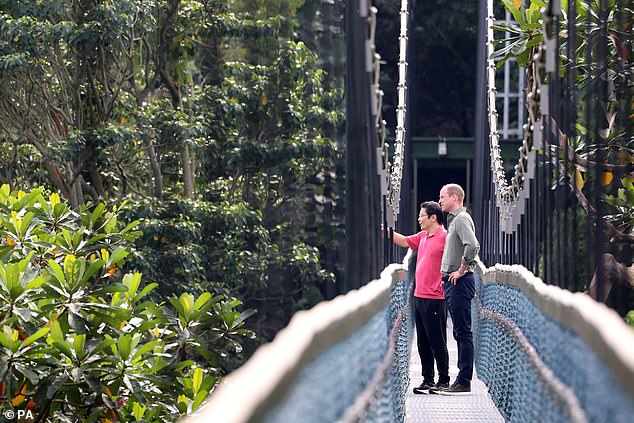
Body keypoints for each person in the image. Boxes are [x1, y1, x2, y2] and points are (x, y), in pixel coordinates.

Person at [389, 201, 449, 394]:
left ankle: (444, 379)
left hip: (435, 297)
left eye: (422, 216)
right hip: (418, 295)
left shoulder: (446, 237)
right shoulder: (423, 235)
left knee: (437, 340)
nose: (418, 219)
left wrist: (447, 278)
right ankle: (428, 379)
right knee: (422, 341)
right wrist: (385, 230)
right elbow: (405, 241)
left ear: (433, 217)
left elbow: (462, 256)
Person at [433, 183, 480, 395]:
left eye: (443, 196)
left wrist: (461, 269)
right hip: (454, 283)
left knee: (462, 332)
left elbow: (473, 246)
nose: (440, 200)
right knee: (460, 332)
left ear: (454, 197)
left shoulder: (460, 219)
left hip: (459, 282)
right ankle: (462, 379)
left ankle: (463, 381)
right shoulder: (456, 220)